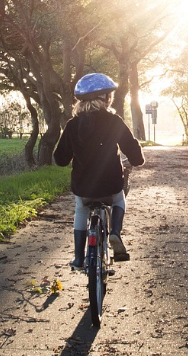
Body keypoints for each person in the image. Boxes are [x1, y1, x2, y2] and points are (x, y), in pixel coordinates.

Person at [54, 73, 144, 269]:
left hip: (83, 187)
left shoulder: (72, 125)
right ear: (104, 98)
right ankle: (115, 234)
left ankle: (78, 258)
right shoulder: (114, 122)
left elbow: (60, 159)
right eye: (109, 95)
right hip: (110, 185)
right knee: (119, 200)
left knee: (81, 209)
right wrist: (136, 159)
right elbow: (135, 155)